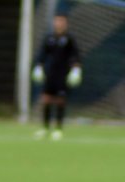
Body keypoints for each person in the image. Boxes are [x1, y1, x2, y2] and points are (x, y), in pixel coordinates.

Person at [32, 13, 81, 141]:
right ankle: (45, 128)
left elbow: (75, 56)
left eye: (61, 21)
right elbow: (42, 54)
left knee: (60, 100)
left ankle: (58, 129)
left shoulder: (69, 39)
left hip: (63, 74)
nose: (59, 24)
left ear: (65, 23)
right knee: (46, 99)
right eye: (57, 21)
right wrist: (38, 66)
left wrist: (76, 69)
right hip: (50, 74)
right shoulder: (49, 38)